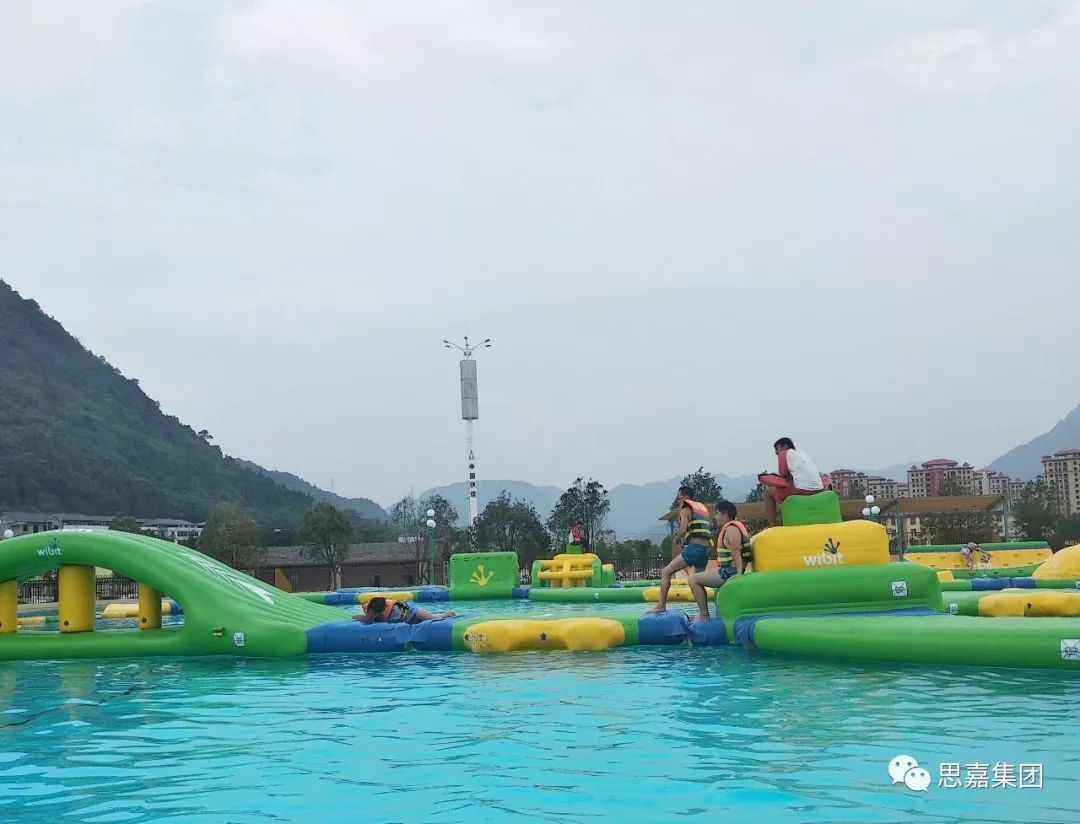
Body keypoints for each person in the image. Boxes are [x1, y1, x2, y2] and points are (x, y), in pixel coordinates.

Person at [649, 485, 714, 621]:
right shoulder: (701, 509)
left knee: (665, 572)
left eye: (678, 499)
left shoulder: (685, 509)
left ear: (685, 497)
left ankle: (661, 605)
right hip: (706, 549)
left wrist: (677, 538)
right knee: (698, 581)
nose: (678, 501)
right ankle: (704, 614)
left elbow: (683, 530)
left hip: (695, 548)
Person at [758, 437, 829, 526]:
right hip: (819, 489)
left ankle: (772, 525)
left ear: (785, 446)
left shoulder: (783, 453)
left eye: (777, 449)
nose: (776, 452)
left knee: (768, 492)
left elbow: (783, 474)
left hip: (802, 489)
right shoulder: (802, 453)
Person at [688, 501, 752, 595]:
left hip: (730, 572)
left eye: (717, 513)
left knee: (692, 579)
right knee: (695, 577)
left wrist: (739, 573)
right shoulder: (732, 527)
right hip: (727, 570)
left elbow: (736, 549)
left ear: (725, 515)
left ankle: (703, 606)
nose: (715, 517)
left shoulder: (731, 529)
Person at [353, 596, 457, 625]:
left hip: (413, 611)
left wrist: (366, 619)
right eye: (370, 613)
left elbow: (374, 621)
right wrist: (366, 617)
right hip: (407, 619)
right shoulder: (370, 608)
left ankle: (446, 614)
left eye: (374, 614)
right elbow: (370, 618)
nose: (371, 616)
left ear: (380, 613)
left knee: (435, 619)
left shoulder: (391, 614)